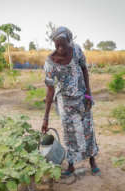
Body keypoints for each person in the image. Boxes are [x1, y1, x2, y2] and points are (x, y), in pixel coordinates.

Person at [41, 26, 100, 176]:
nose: (60, 48)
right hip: (64, 101)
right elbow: (50, 90)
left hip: (82, 97)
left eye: (63, 44)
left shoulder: (77, 50)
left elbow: (84, 70)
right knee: (69, 132)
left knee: (88, 128)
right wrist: (45, 118)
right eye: (57, 45)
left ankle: (92, 161)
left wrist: (89, 94)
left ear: (70, 41)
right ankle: (71, 165)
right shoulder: (50, 63)